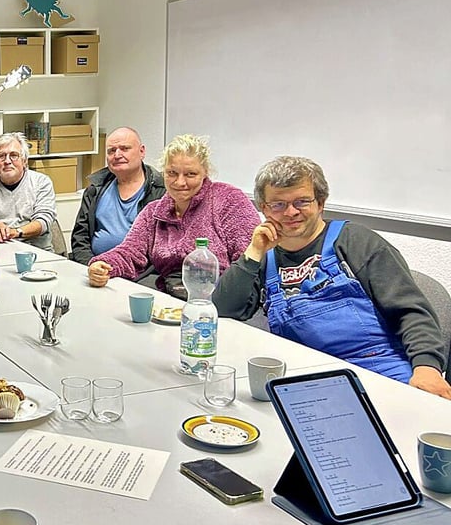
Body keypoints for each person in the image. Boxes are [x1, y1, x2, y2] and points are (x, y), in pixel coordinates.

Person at [214, 156, 451, 397]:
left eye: (302, 201)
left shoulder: (355, 241)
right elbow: (223, 311)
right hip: (307, 378)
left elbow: (410, 311)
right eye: (278, 204)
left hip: (382, 371)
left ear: (321, 203)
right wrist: (253, 252)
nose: (291, 212)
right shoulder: (265, 258)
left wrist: (427, 368)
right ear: (264, 208)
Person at [87, 134, 260, 298]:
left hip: (223, 295)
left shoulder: (229, 200)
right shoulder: (153, 212)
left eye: (190, 174)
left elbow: (249, 258)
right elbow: (130, 252)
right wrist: (103, 265)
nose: (180, 182)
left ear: (205, 172)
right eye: (172, 173)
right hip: (172, 295)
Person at [71, 127, 165, 265]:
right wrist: (91, 264)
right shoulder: (95, 189)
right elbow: (80, 237)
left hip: (141, 271)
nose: (117, 155)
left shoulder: (161, 191)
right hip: (95, 267)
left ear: (142, 151)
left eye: (125, 148)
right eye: (111, 151)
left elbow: (164, 245)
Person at [0, 132, 57, 251]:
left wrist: (15, 232)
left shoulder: (41, 183)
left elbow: (43, 221)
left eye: (14, 155)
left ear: (24, 161)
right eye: (1, 156)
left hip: (37, 251)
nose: (7, 161)